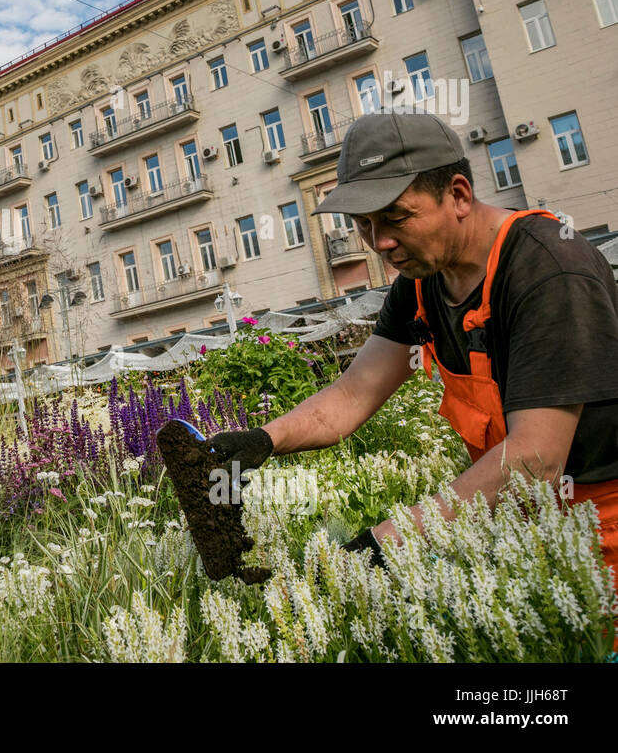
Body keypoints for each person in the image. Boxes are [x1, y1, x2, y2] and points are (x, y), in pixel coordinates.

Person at [173, 111, 618, 583]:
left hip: (603, 526)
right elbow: (349, 397)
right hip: (519, 527)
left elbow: (535, 459)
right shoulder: (422, 281)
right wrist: (262, 441)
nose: (379, 242)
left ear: (459, 195)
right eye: (363, 223)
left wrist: (379, 546)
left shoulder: (548, 269)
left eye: (396, 217)